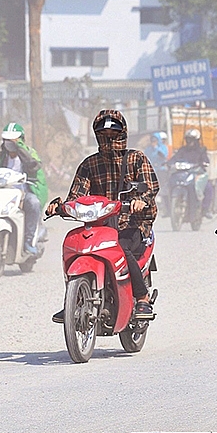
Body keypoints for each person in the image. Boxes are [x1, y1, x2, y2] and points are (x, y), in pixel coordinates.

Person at [47, 110, 159, 321]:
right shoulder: (89, 164)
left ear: (122, 133)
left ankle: (142, 297)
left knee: (122, 248)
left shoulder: (136, 159)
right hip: (100, 227)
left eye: (113, 133)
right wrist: (61, 207)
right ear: (97, 135)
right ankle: (74, 301)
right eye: (103, 134)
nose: (108, 138)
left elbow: (150, 187)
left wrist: (140, 200)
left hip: (132, 224)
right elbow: (76, 195)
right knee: (75, 245)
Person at [0, 123, 47, 256]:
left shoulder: (30, 153)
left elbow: (34, 166)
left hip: (23, 194)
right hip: (1, 194)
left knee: (33, 203)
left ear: (21, 140)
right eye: (7, 140)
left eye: (13, 141)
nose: (9, 144)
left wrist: (21, 149)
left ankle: (29, 241)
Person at [168, 128, 215, 218]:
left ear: (196, 140)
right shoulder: (183, 150)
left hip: (197, 173)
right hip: (183, 173)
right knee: (167, 184)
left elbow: (205, 160)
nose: (189, 142)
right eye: (188, 139)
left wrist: (204, 163)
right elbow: (175, 158)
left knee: (208, 187)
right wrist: (169, 163)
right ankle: (167, 209)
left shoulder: (201, 150)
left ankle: (205, 210)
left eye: (192, 140)